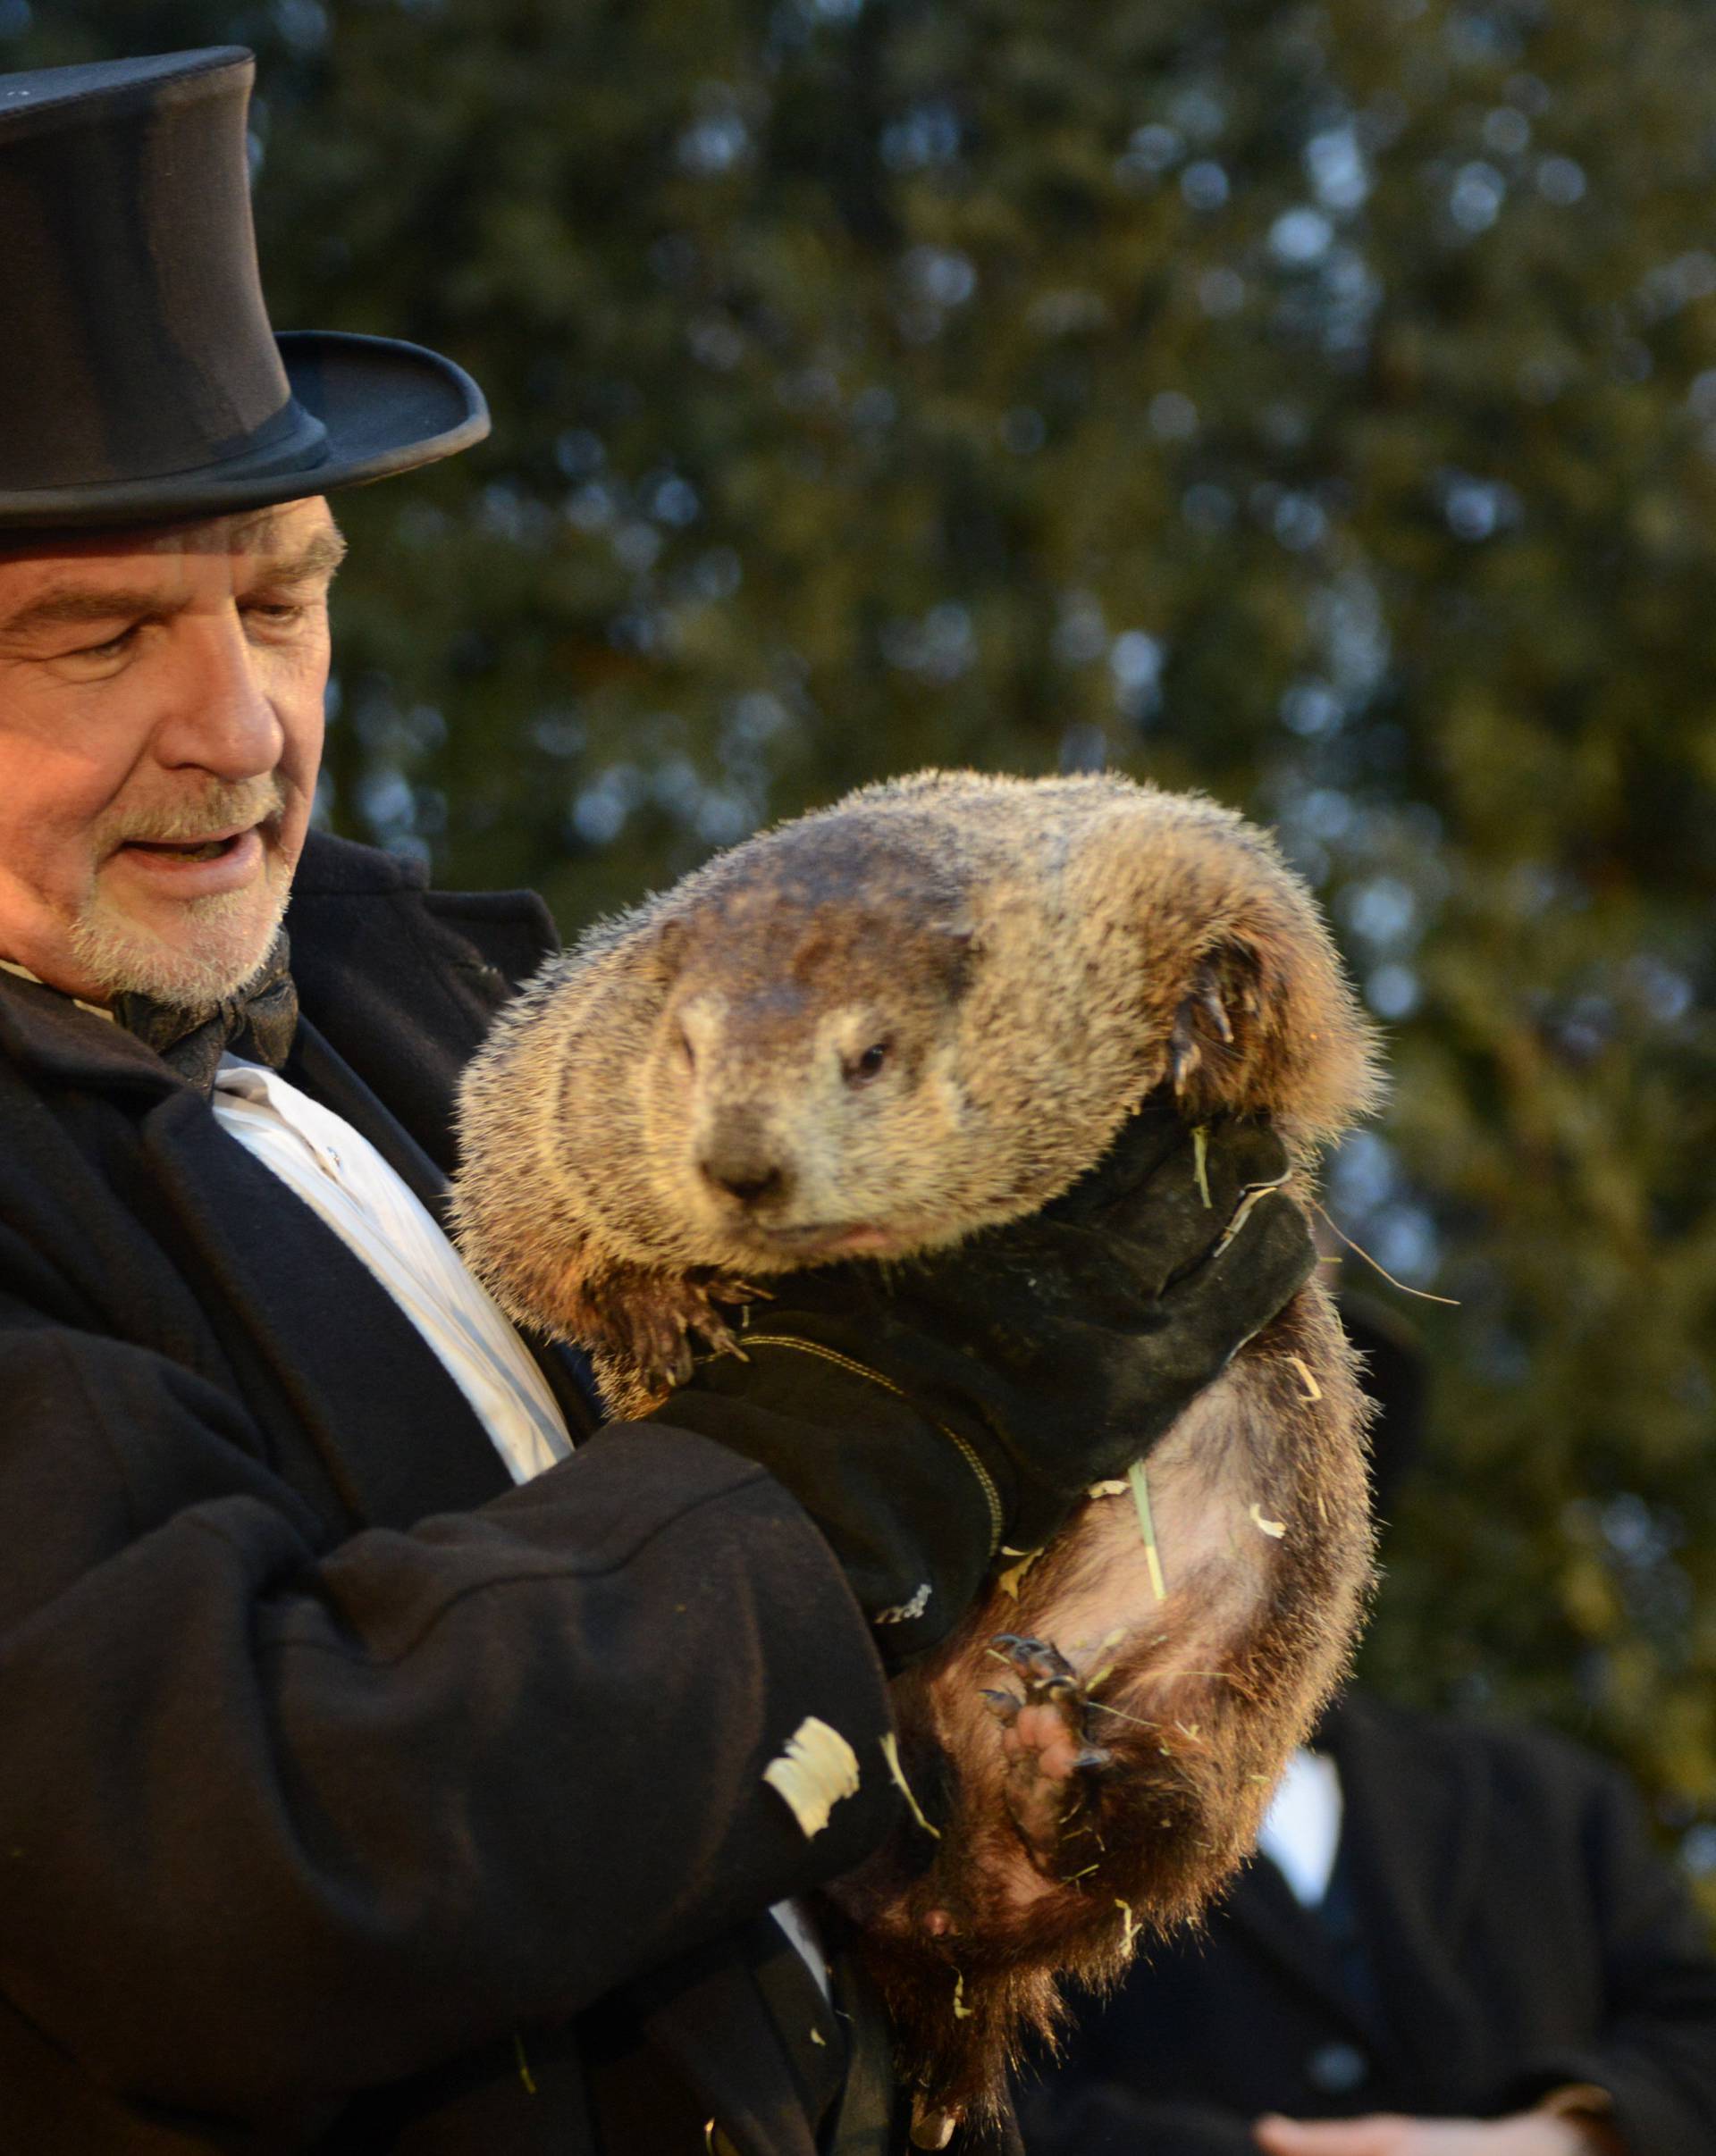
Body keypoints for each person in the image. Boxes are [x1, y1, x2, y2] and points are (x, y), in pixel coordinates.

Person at [0, 48, 1322, 2156]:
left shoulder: (430, 1003)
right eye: (93, 638)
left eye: (280, 595)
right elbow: (238, 1865)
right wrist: (893, 1433)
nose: (238, 719)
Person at [1015, 1305, 1716, 2156]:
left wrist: (1564, 2136)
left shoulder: (1557, 1809)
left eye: (1279, 1463)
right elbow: (980, 2110)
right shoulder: (1006, 1824)